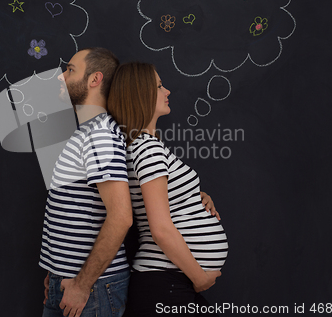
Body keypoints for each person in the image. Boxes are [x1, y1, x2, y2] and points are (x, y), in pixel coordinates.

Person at [40, 49, 219, 317]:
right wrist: (59, 269)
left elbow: (122, 217)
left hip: (93, 287)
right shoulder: (94, 133)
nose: (60, 77)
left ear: (94, 79)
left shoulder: (101, 135)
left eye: (70, 69)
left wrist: (82, 284)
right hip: (75, 282)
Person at [107, 62, 228, 316]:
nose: (167, 91)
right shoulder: (148, 149)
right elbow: (160, 229)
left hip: (169, 282)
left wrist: (197, 197)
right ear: (141, 93)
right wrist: (200, 278)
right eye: (160, 86)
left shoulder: (144, 146)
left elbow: (159, 200)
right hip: (168, 283)